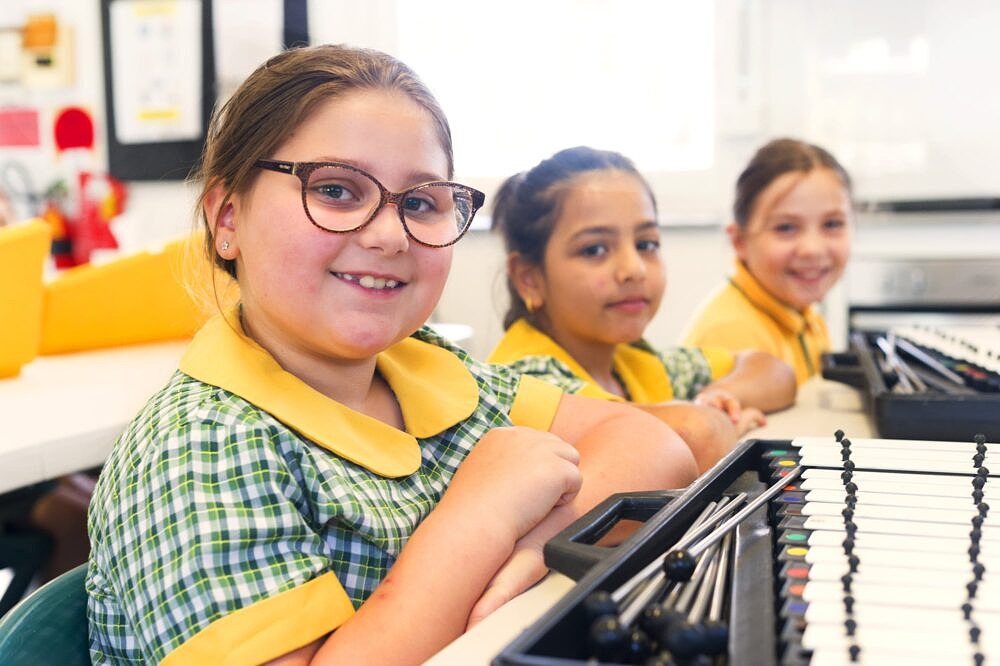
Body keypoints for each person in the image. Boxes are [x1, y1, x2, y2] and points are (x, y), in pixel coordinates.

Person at [85, 45, 699, 666]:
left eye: (420, 202)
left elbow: (650, 445)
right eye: (335, 190)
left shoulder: (422, 364)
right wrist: (480, 519)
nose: (387, 234)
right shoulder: (198, 450)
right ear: (227, 217)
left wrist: (534, 549)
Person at [488, 146, 797, 473]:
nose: (633, 269)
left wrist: (717, 398)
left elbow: (773, 370)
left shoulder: (630, 359)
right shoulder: (527, 375)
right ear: (529, 278)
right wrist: (719, 421)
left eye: (646, 244)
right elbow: (694, 434)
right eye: (594, 249)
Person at [682, 138, 854, 384]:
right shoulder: (732, 334)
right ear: (739, 241)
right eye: (786, 228)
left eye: (832, 224)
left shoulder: (805, 315)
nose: (812, 249)